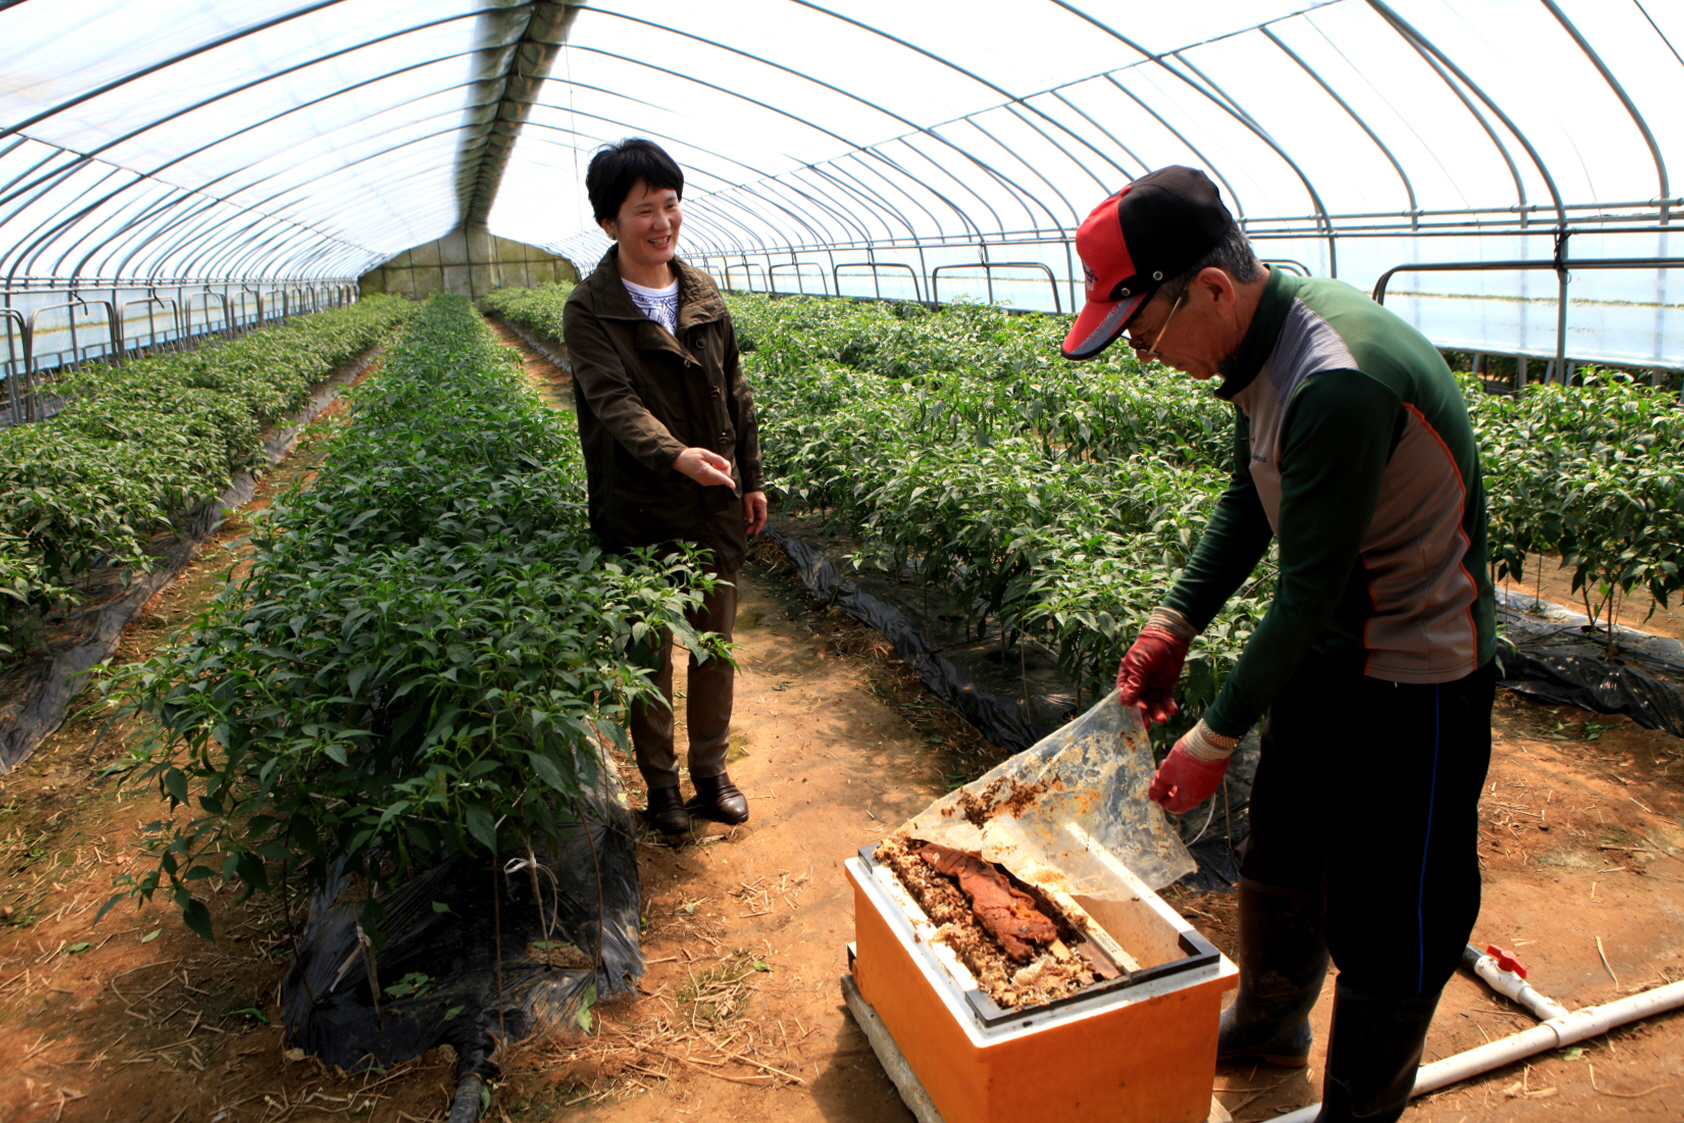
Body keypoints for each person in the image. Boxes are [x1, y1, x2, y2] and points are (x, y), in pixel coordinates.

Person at [1063, 167, 1496, 1123]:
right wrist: (1172, 620)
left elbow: (1307, 589)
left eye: (1143, 333)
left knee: (1393, 915)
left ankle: (1357, 1107)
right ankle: (1269, 1022)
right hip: (1331, 651)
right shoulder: (1255, 353)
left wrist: (1211, 739)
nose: (1144, 356)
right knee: (1284, 851)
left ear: (1209, 289)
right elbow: (1246, 502)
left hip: (1415, 679)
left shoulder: (1336, 378)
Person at [562, 138, 768, 843]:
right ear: (609, 222)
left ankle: (711, 773)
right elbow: (612, 401)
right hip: (641, 506)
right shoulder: (590, 309)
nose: (662, 221)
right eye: (644, 209)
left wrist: (752, 477)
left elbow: (735, 390)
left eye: (671, 204)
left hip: (713, 505)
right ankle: (661, 787)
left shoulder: (702, 292)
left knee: (714, 645)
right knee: (648, 652)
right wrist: (676, 455)